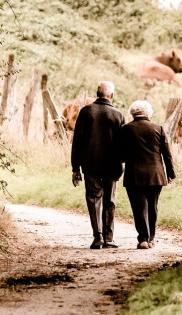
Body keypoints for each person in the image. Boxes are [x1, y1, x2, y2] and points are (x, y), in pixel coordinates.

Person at [71, 81, 125, 249]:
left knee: (94, 199)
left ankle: (98, 237)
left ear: (97, 93)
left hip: (90, 165)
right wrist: (122, 164)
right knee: (110, 200)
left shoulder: (86, 112)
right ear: (112, 96)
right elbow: (123, 144)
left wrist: (75, 168)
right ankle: (109, 238)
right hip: (112, 165)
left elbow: (77, 142)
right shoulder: (118, 115)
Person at [120, 100, 176, 249]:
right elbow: (167, 154)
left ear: (133, 113)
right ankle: (151, 238)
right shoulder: (158, 128)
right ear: (148, 113)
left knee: (138, 207)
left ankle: (143, 239)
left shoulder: (125, 129)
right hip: (155, 174)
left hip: (134, 174)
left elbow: (121, 153)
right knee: (153, 206)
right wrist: (170, 173)